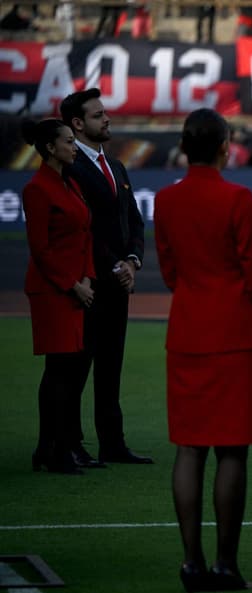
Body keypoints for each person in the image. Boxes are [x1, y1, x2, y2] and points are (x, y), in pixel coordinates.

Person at [154, 108, 252, 593]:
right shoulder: (238, 198)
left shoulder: (166, 200)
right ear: (226, 147)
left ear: (184, 148)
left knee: (189, 447)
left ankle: (191, 562)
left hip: (187, 330)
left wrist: (192, 295)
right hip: (233, 333)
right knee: (232, 450)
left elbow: (168, 267)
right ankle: (225, 564)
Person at [59, 88, 151, 467]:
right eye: (98, 115)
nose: (107, 118)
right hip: (89, 285)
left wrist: (132, 261)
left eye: (104, 112)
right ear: (77, 124)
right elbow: (85, 230)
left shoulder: (115, 166)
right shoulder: (70, 167)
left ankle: (113, 443)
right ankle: (71, 443)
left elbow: (134, 221)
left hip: (117, 283)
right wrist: (116, 266)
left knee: (111, 366)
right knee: (77, 367)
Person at [22, 119, 95, 475]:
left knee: (66, 369)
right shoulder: (37, 189)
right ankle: (56, 449)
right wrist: (73, 285)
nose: (74, 146)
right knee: (59, 370)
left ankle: (49, 447)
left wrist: (88, 279)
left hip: (75, 288)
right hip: (53, 291)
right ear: (50, 148)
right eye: (68, 141)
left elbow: (85, 235)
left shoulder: (71, 184)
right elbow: (40, 249)